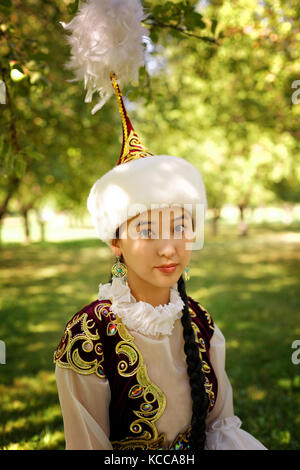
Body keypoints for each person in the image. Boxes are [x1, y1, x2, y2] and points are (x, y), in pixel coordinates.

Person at [53, 0, 268, 451]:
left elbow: (221, 431)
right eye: (148, 231)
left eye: (180, 227)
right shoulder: (89, 336)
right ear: (116, 242)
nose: (169, 249)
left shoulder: (201, 324)